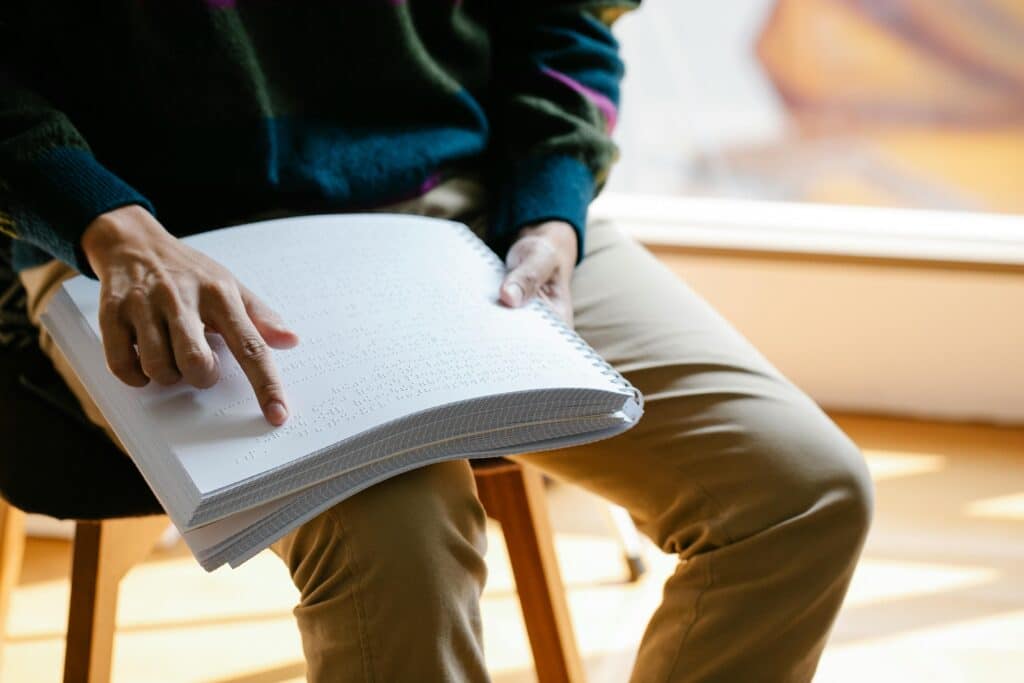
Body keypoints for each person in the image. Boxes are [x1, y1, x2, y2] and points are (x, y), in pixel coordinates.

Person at [1, 2, 873, 681]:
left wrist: (553, 212)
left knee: (803, 492)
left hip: (472, 213)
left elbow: (563, 21)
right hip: (139, 242)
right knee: (397, 547)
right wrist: (103, 223)